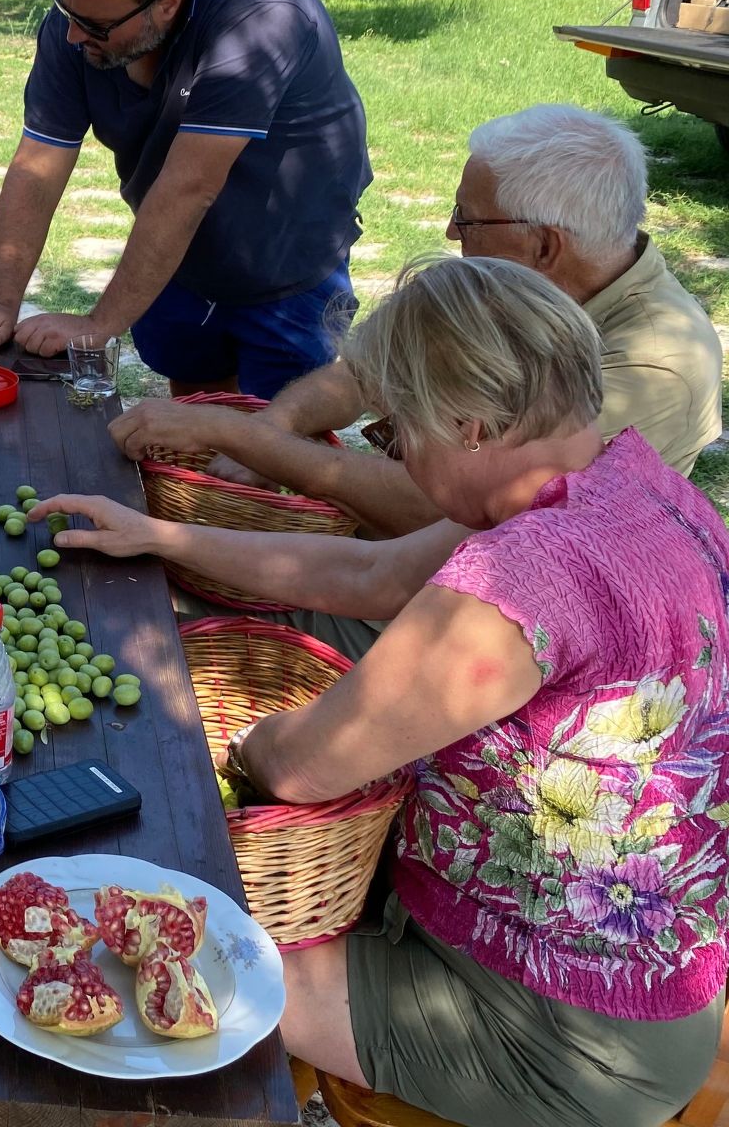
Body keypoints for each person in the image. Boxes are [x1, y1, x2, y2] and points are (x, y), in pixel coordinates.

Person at [35, 256, 726, 1127]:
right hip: (653, 986)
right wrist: (161, 537)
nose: (391, 452)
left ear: (470, 425)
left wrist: (246, 743)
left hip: (553, 1031)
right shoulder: (626, 485)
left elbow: (305, 769)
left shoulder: (519, 577)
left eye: (393, 434)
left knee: (138, 952)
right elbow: (372, 572)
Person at [110, 104, 723, 537]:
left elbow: (453, 517)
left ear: (545, 246)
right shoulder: (519, 283)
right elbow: (365, 372)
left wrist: (247, 439)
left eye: (470, 218)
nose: (452, 231)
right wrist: (275, 424)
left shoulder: (657, 362)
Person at [0, 0, 372, 398]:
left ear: (168, 4)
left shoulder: (259, 16)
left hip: (287, 262)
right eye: (69, 14)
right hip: (179, 257)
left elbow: (188, 188)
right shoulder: (77, 26)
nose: (73, 39)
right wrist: (0, 302)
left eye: (97, 26)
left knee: (275, 442)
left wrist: (97, 325)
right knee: (198, 420)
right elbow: (37, 167)